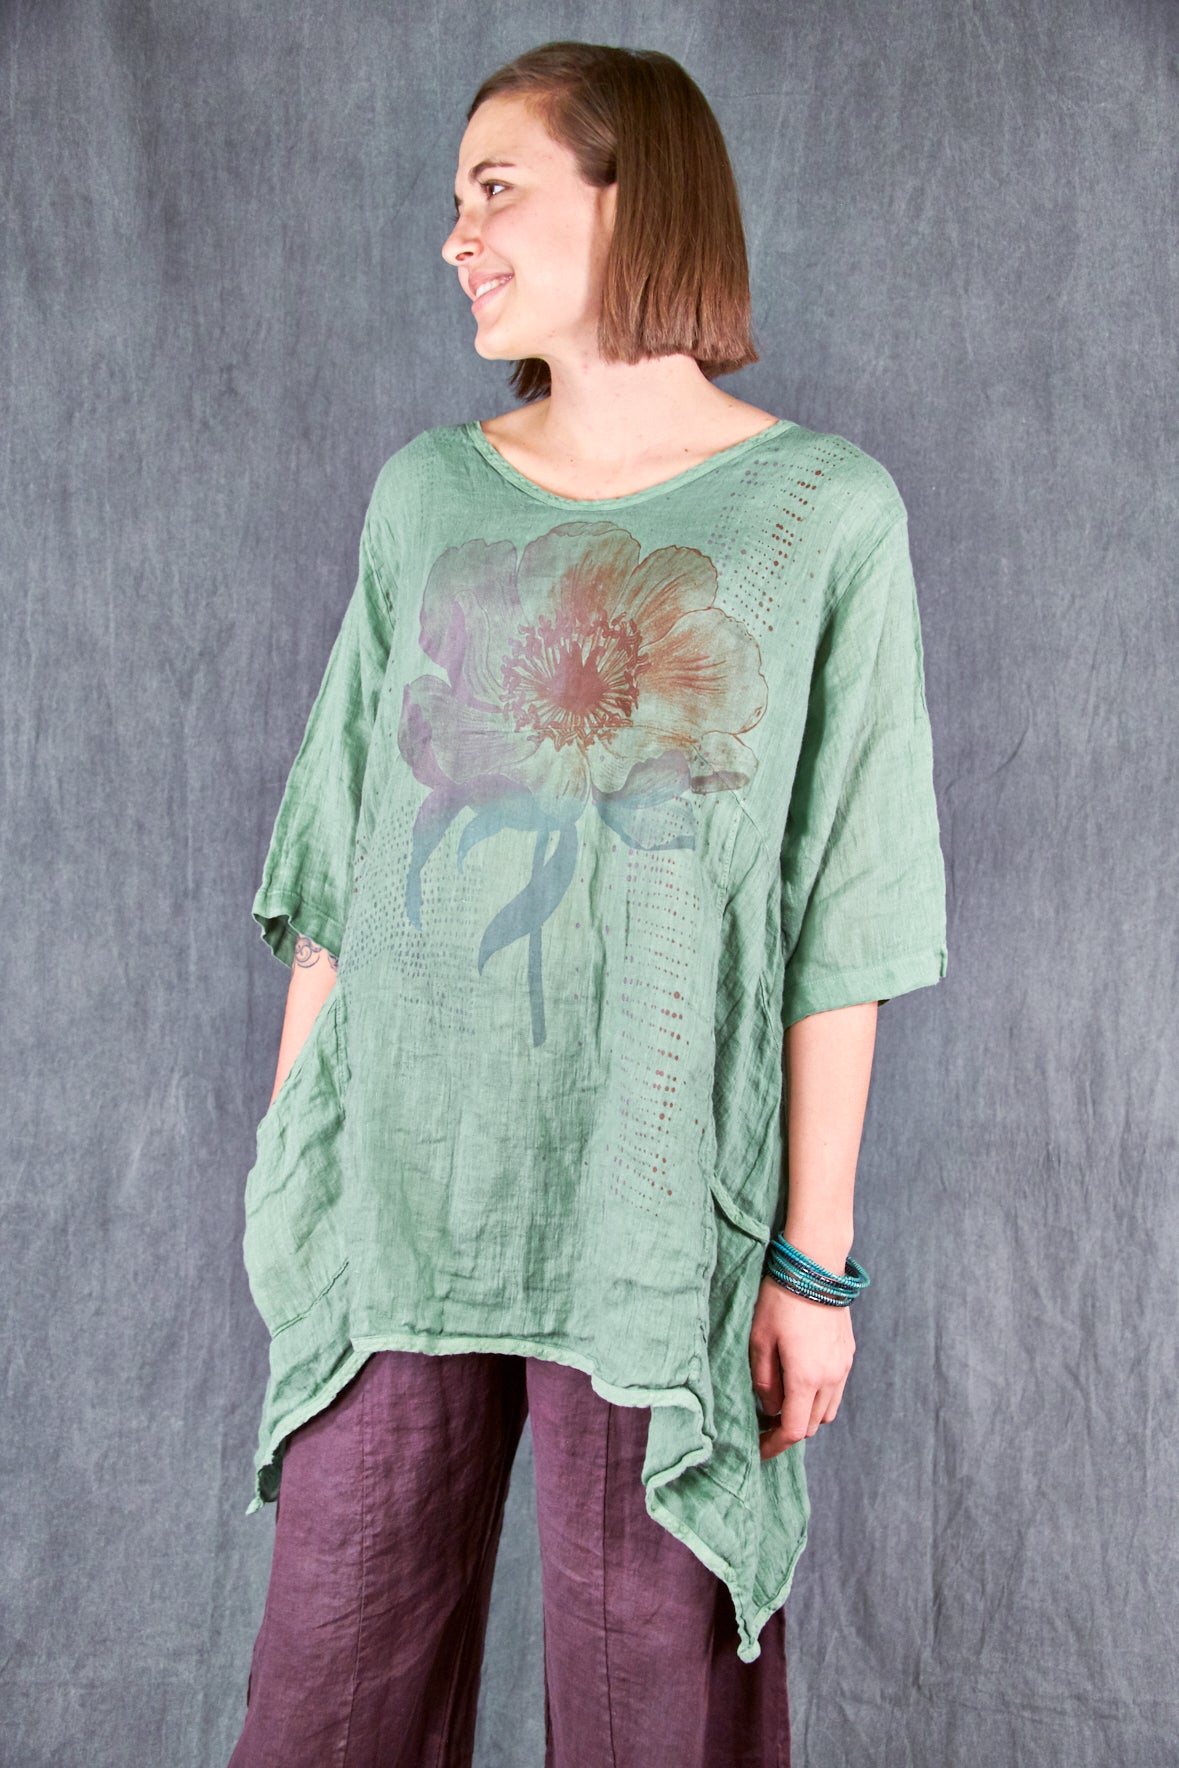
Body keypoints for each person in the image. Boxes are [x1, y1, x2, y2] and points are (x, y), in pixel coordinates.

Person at [227, 39, 948, 1768]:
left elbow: (842, 913)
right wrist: (290, 1168)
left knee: (652, 1711)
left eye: (497, 189)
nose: (456, 237)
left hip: (656, 1213)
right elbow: (339, 864)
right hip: (402, 1205)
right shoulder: (427, 493)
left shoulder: (822, 516)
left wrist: (812, 1264)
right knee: (331, 1695)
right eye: (453, 202)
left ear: (639, 198)